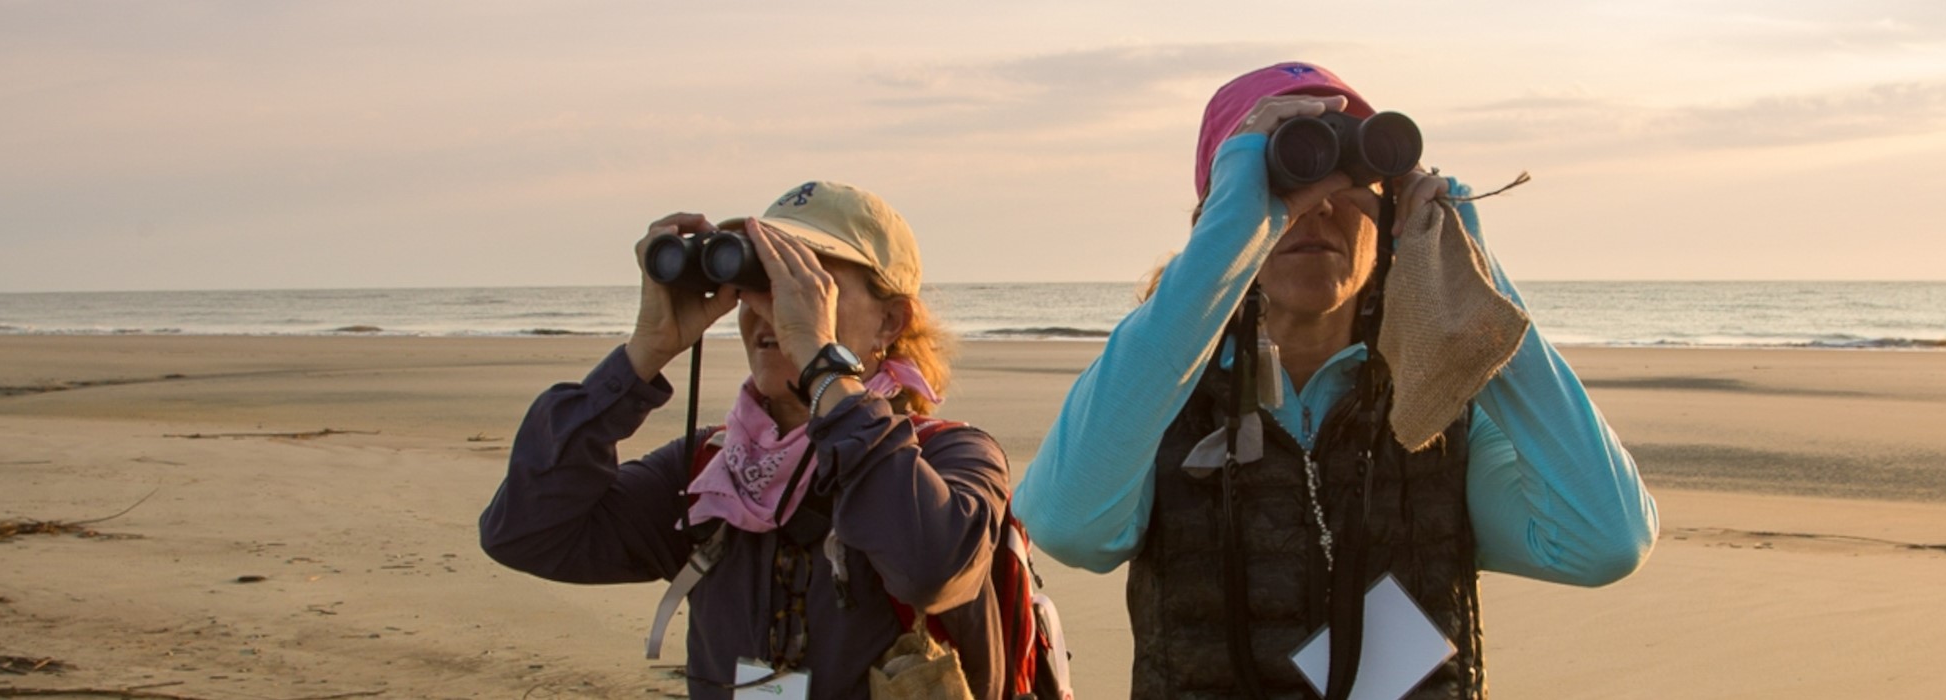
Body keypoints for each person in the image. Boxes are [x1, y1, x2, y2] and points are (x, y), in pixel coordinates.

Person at [1015, 62, 1659, 699]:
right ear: (1220, 216)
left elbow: (1604, 539)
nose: (1317, 204)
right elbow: (1070, 527)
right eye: (1285, 173)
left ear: (1386, 212)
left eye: (1349, 177)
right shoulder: (1154, 404)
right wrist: (1228, 239)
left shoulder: (1435, 408)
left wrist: (1469, 283)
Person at [481, 181, 1021, 699]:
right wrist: (643, 354)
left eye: (805, 283)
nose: (771, 306)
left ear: (890, 320)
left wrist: (821, 361)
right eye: (758, 277)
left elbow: (929, 569)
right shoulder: (712, 472)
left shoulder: (952, 457)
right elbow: (527, 533)